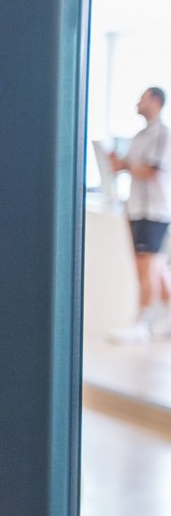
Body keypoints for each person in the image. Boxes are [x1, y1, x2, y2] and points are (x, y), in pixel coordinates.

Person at [109, 86, 171, 343]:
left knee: (148, 265)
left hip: (154, 210)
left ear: (155, 101)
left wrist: (127, 167)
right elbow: (127, 166)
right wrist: (117, 162)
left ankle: (143, 322)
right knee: (150, 266)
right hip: (135, 208)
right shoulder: (138, 136)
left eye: (142, 98)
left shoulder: (163, 135)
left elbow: (152, 170)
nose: (138, 102)